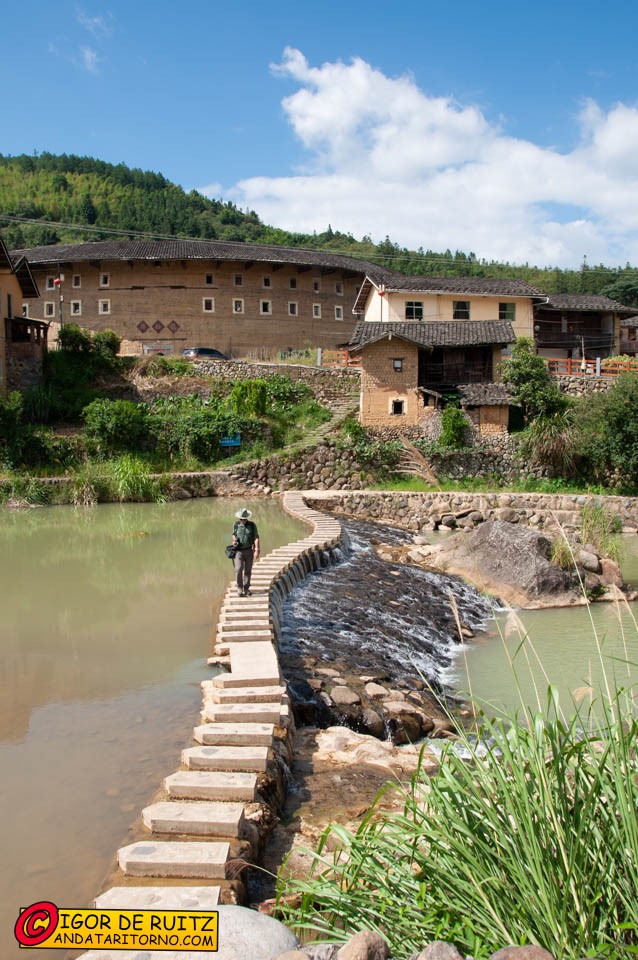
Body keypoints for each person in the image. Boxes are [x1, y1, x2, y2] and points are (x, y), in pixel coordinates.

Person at [232, 508, 260, 596]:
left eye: (244, 519)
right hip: (238, 551)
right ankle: (239, 588)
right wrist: (234, 541)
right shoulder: (236, 525)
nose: (242, 520)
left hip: (249, 550)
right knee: (238, 569)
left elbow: (256, 537)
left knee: (248, 570)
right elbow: (233, 534)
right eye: (241, 519)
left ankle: (246, 588)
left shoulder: (252, 525)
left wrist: (257, 550)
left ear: (247, 518)